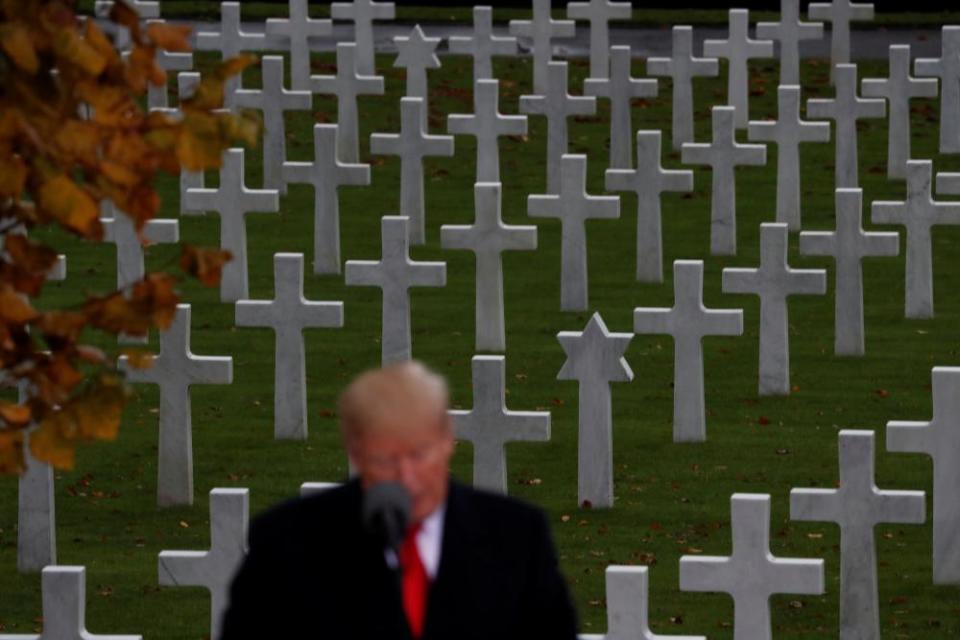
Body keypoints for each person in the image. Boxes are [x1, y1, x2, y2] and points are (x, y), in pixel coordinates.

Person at [219, 360, 579, 640]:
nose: (407, 478)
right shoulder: (285, 543)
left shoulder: (517, 537)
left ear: (446, 439)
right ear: (355, 451)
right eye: (386, 460)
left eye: (419, 454)